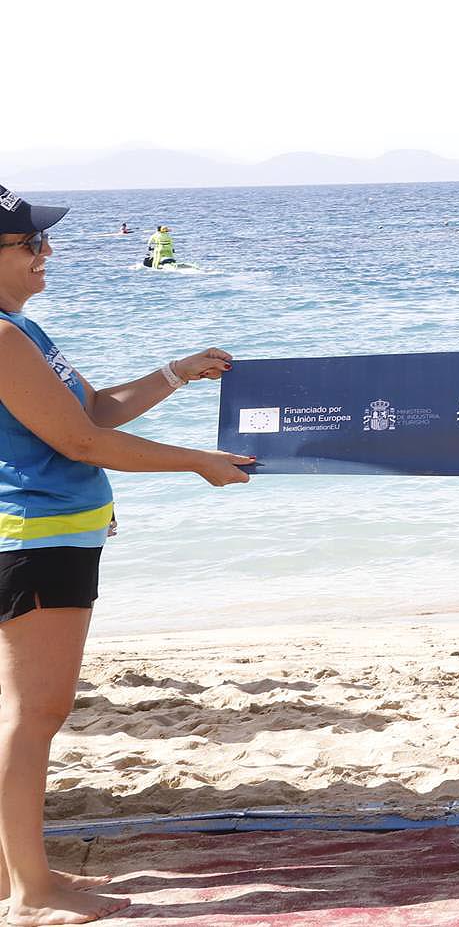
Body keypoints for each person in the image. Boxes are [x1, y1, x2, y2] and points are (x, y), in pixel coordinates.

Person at [0, 184, 253, 923]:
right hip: (35, 541)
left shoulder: (23, 330)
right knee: (33, 712)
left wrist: (175, 373)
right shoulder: (3, 336)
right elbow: (78, 443)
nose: (46, 253)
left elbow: (93, 412)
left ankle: (19, 875)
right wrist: (194, 462)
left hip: (54, 536)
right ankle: (31, 890)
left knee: (27, 711)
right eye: (29, 244)